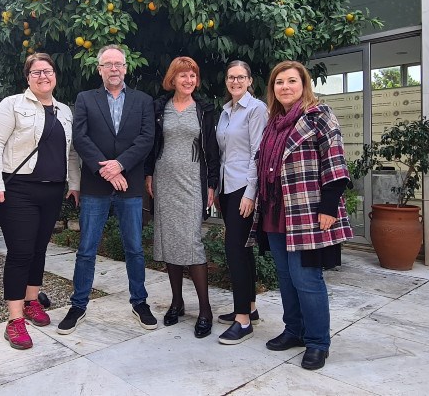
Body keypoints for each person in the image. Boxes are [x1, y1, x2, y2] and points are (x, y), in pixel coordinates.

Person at [248, 60, 353, 370]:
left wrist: (329, 207)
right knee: (285, 277)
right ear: (273, 89)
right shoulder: (273, 122)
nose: (285, 87)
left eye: (291, 81)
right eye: (279, 82)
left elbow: (334, 160)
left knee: (307, 278)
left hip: (308, 211)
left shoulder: (319, 116)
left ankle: (318, 342)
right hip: (276, 212)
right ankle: (294, 330)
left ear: (303, 85)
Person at [0, 53, 80, 350]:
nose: (43, 76)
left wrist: (74, 184)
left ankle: (31, 300)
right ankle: (14, 320)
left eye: (47, 71)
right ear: (27, 77)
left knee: (39, 250)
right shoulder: (12, 104)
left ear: (55, 75)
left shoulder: (64, 111)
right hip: (18, 190)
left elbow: (72, 152)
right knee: (20, 252)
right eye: (36, 72)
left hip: (52, 190)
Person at [57, 44, 155, 335]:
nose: (114, 68)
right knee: (86, 249)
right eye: (108, 64)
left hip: (130, 184)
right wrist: (106, 170)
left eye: (119, 64)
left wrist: (120, 165)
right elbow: (81, 137)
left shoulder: (142, 100)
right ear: (99, 69)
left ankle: (140, 302)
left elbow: (146, 137)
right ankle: (78, 305)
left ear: (126, 68)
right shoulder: (86, 99)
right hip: (95, 186)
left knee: (135, 248)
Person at [144, 56, 219, 338]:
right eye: (183, 76)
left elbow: (212, 150)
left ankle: (205, 309)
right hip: (164, 180)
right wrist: (149, 175)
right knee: (168, 239)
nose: (188, 81)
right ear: (172, 79)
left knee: (191, 242)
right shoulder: (159, 107)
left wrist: (212, 184)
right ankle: (177, 302)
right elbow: (153, 145)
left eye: (193, 76)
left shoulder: (204, 109)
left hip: (192, 181)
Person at [215, 60, 268, 345]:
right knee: (243, 250)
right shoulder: (226, 112)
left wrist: (250, 193)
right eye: (231, 77)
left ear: (249, 80)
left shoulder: (256, 109)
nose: (235, 81)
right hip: (226, 186)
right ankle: (249, 307)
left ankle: (243, 321)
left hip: (242, 187)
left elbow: (258, 153)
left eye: (241, 77)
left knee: (235, 249)